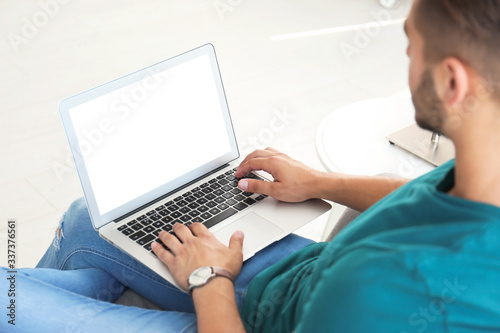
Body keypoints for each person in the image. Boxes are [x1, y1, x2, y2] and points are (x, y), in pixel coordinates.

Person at [2, 0, 500, 331]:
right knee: (88, 221)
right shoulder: (483, 171)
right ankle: (100, 290)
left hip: (256, 315)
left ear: (452, 82)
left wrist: (208, 279)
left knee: (8, 299)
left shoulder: (378, 291)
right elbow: (420, 195)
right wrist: (316, 180)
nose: (407, 55)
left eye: (411, 43)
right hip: (294, 277)